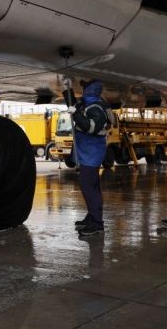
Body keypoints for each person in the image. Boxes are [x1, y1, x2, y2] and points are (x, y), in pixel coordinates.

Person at [70, 79, 110, 237]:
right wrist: (72, 101)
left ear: (90, 90)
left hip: (91, 154)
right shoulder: (90, 104)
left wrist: (75, 115)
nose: (83, 90)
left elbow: (91, 127)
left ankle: (97, 223)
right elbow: (80, 109)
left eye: (85, 88)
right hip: (87, 153)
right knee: (91, 187)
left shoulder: (96, 107)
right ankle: (91, 217)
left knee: (88, 187)